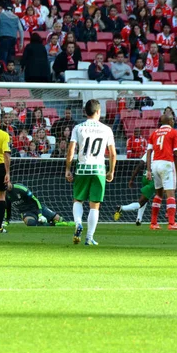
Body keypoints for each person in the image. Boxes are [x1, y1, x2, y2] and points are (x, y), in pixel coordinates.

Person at [66, 99, 116, 245]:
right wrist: (111, 171)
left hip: (82, 168)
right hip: (99, 169)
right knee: (94, 205)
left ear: (84, 112)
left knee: (78, 200)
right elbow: (112, 153)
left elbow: (71, 150)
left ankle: (78, 223)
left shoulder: (78, 128)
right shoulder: (106, 129)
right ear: (99, 112)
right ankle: (89, 237)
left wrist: (68, 169)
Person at [146, 114, 177, 230]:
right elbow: (176, 153)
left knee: (158, 194)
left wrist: (148, 169)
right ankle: (172, 223)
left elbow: (148, 151)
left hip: (155, 164)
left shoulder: (154, 133)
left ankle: (153, 223)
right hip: (167, 163)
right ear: (169, 121)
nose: (173, 121)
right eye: (172, 119)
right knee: (170, 193)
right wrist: (176, 171)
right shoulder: (173, 132)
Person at [114, 151, 155, 226]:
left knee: (145, 198)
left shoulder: (150, 152)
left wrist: (132, 179)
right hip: (154, 178)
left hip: (145, 176)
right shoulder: (161, 152)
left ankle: (139, 219)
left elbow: (140, 164)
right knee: (141, 202)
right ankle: (122, 208)